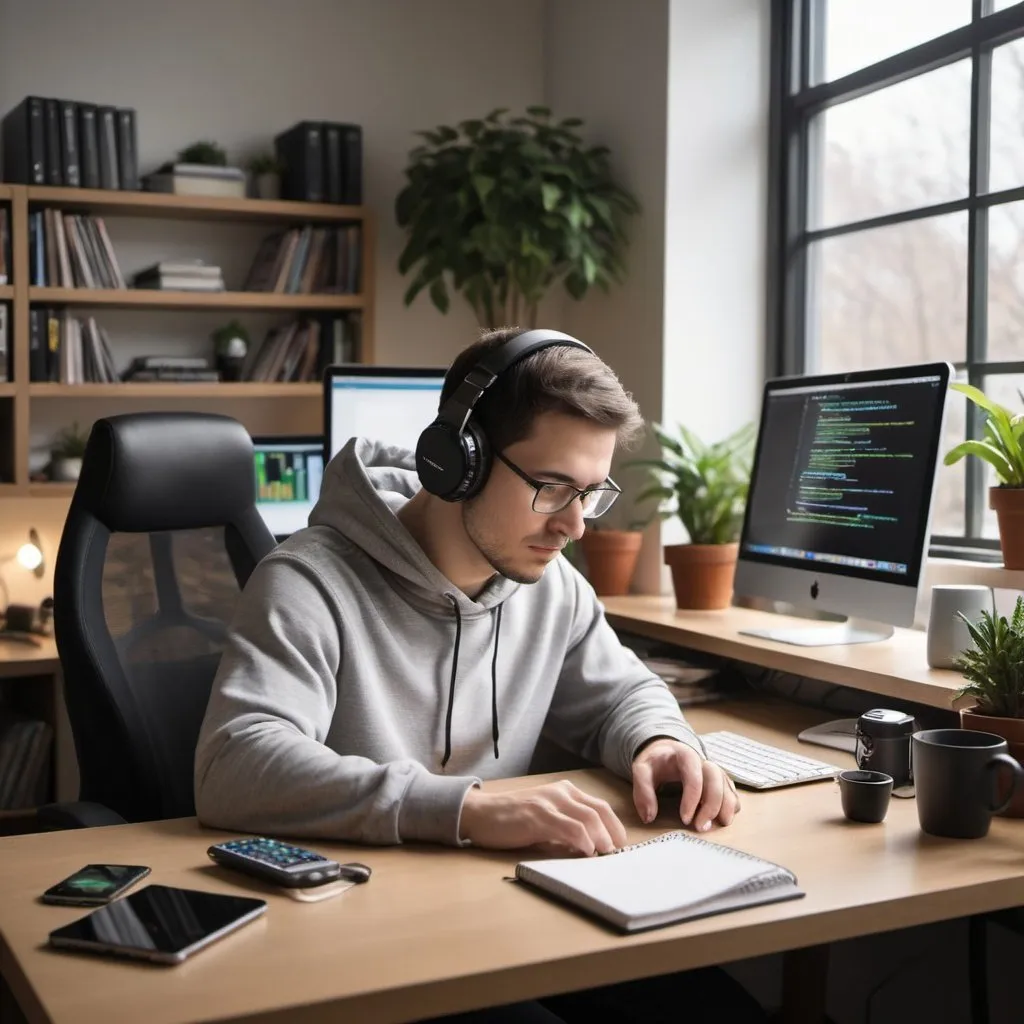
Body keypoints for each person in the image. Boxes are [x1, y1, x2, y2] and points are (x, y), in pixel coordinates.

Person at [194, 327, 762, 1023]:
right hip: (357, 946)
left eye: (592, 492)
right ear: (455, 462)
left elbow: (625, 693)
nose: (576, 526)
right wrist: (464, 808)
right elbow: (233, 761)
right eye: (552, 488)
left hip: (499, 917)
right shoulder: (307, 582)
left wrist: (660, 742)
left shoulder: (551, 585)